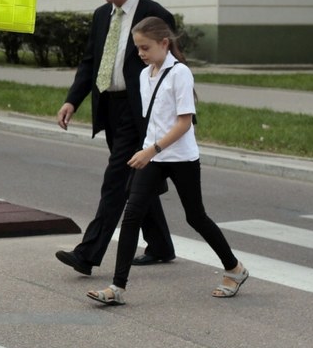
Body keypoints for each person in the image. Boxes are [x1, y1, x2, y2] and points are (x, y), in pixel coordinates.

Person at [86, 16, 248, 305]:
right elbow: (152, 120)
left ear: (164, 43)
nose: (140, 53)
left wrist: (153, 150)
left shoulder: (180, 73)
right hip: (154, 155)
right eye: (137, 48)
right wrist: (146, 150)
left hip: (180, 157)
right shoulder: (144, 75)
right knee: (132, 214)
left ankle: (234, 269)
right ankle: (117, 288)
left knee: (195, 217)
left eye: (145, 47)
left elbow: (185, 123)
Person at [55, 0, 176, 276]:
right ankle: (162, 244)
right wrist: (72, 101)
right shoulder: (100, 15)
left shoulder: (154, 16)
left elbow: (172, 68)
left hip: (139, 114)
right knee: (136, 180)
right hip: (109, 107)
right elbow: (90, 62)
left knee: (116, 180)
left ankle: (88, 253)